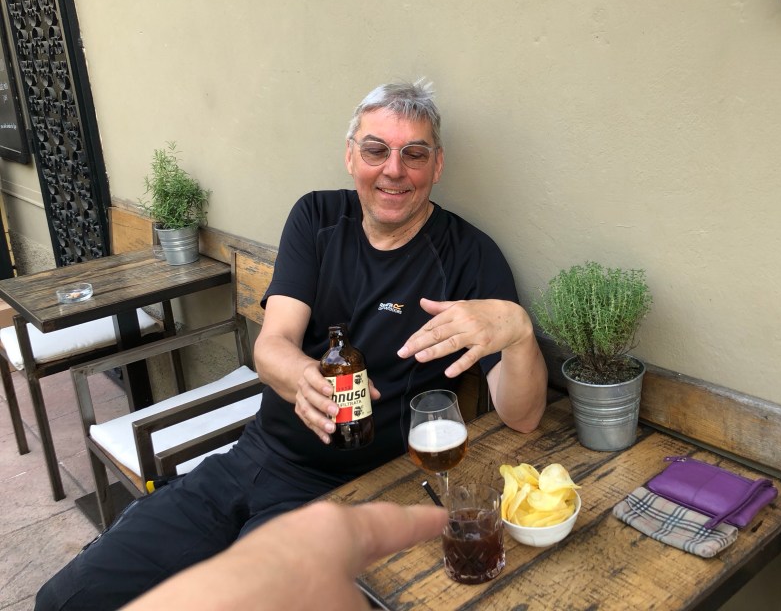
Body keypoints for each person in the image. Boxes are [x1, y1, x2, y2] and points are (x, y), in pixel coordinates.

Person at [37, 81, 548, 610]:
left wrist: (518, 332)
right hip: (252, 457)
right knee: (65, 600)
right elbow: (272, 345)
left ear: (436, 165)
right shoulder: (317, 217)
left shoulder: (470, 256)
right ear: (350, 156)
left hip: (350, 492)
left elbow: (524, 416)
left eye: (414, 154)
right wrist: (304, 378)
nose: (394, 169)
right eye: (375, 150)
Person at [122, 500, 448, 611]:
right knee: (96, 580)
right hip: (246, 458)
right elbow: (268, 361)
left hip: (325, 491)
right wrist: (292, 374)